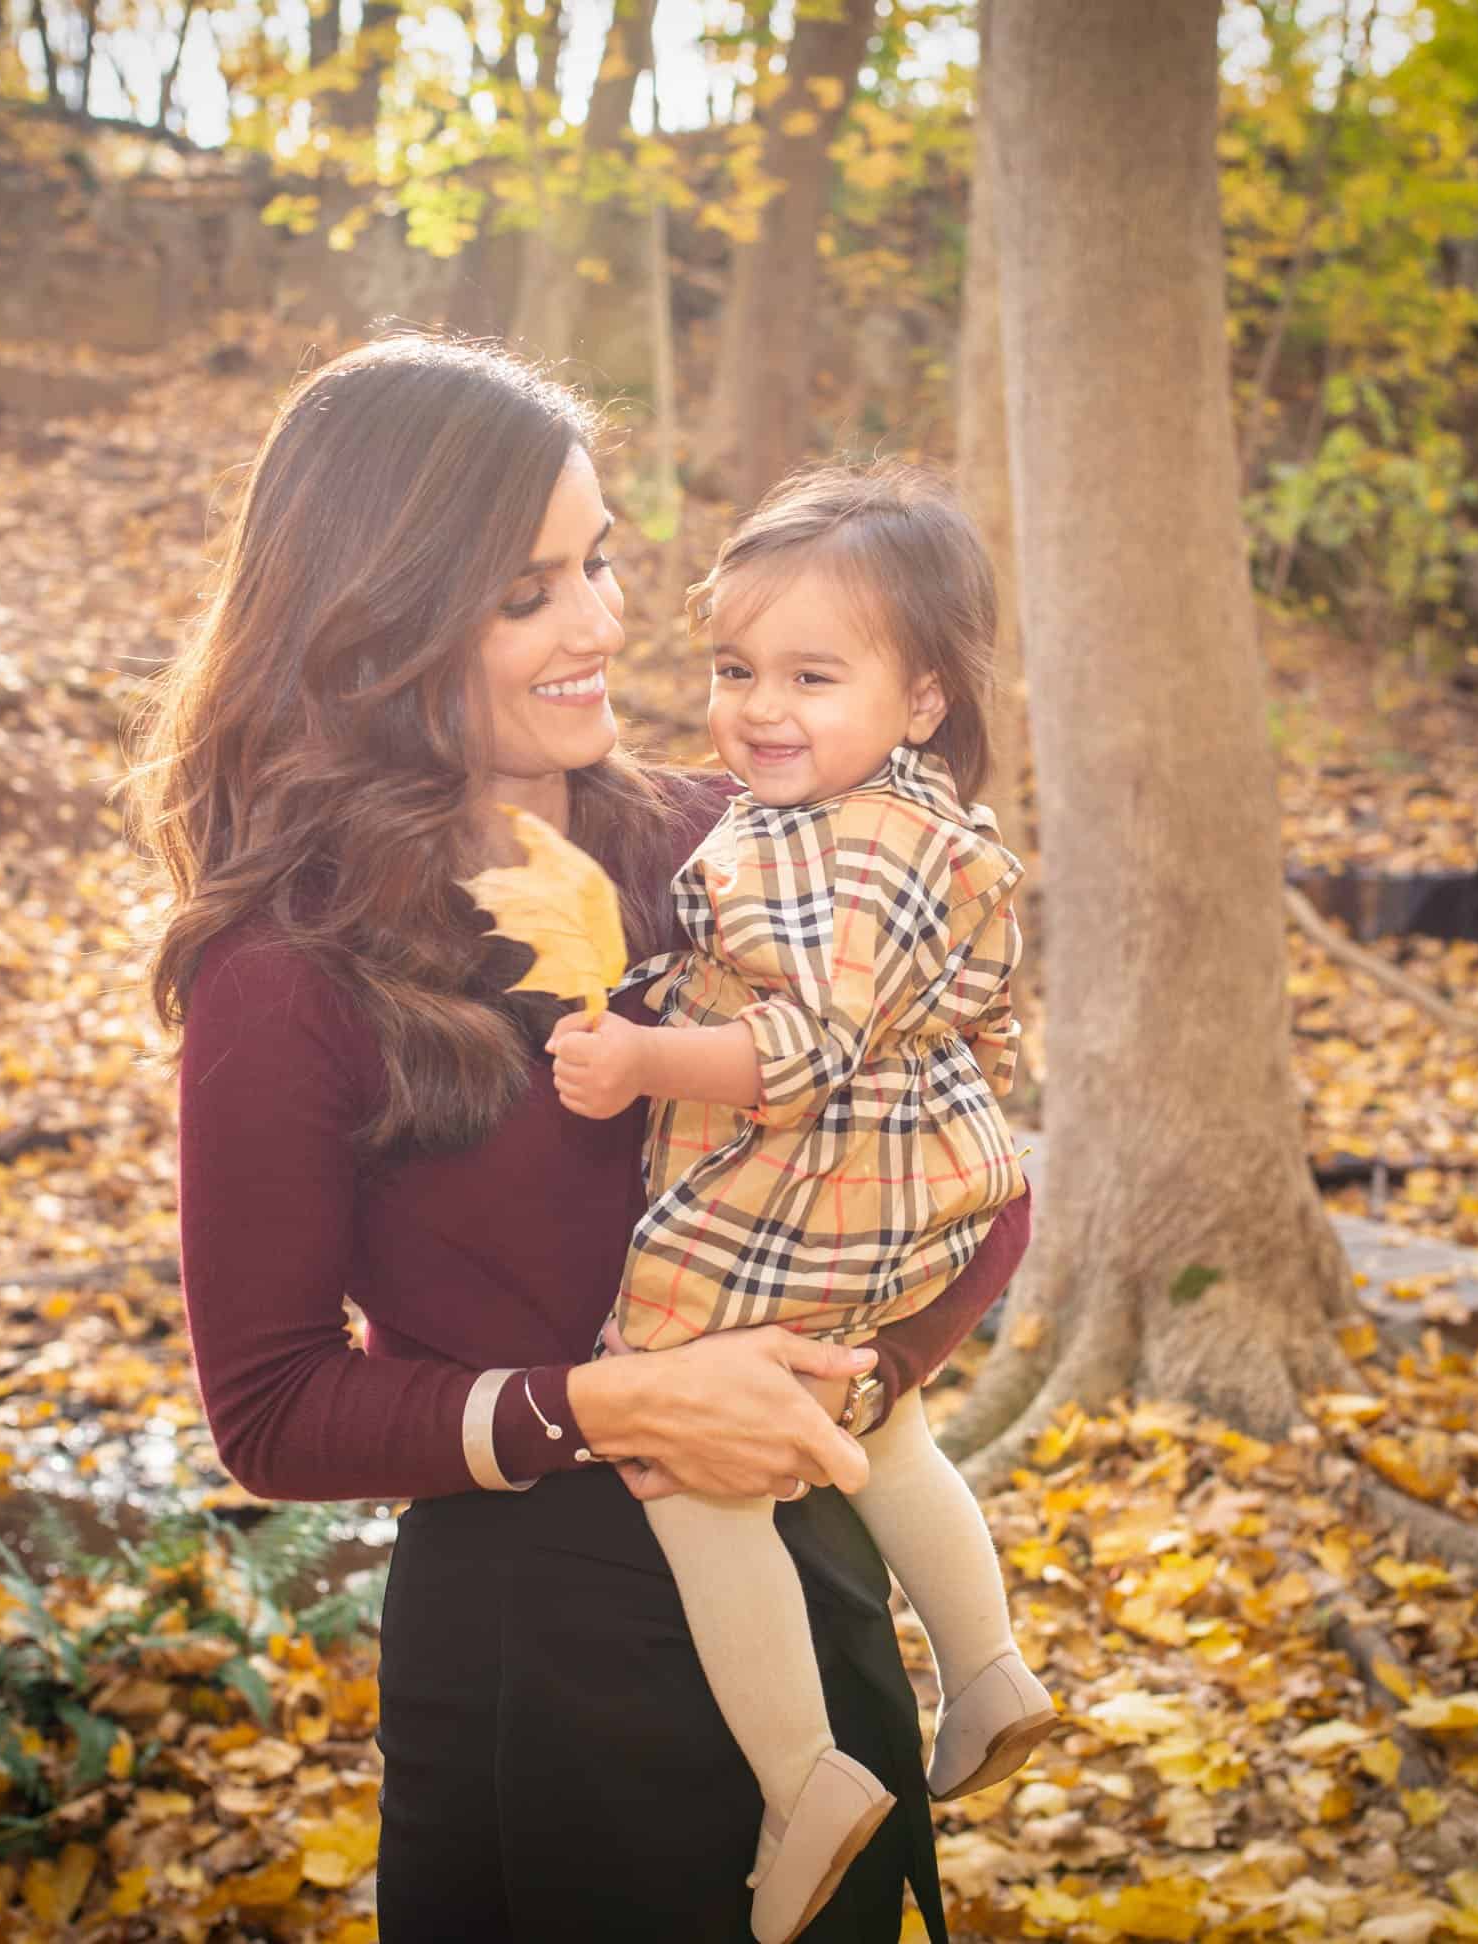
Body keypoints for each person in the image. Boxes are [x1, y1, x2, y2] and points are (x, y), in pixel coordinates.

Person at [126, 334, 1033, 1944]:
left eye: (600, 560)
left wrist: (846, 1393)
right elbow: (269, 1411)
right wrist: (617, 1404)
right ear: (381, 617)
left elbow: (974, 1178)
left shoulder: (728, 846)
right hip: (543, 1659)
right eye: (527, 588)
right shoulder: (287, 977)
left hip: (821, 1578)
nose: (603, 622)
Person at [543, 467, 1053, 1943]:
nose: (761, 708)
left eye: (813, 677)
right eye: (734, 669)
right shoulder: (880, 820)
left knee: (684, 1462)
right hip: (886, 1208)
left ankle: (803, 1777)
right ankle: (991, 1669)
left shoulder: (862, 849)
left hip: (800, 1196)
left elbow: (801, 1049)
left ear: (921, 702)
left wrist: (645, 1056)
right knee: (873, 1427)